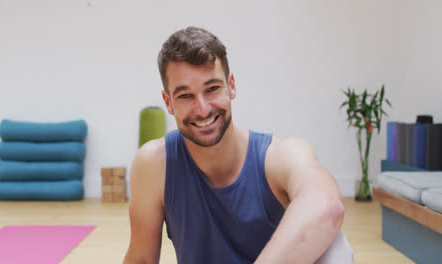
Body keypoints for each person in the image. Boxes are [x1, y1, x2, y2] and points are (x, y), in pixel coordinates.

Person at [123, 26, 353, 264]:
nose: (202, 109)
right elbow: (141, 259)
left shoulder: (280, 155)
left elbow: (328, 207)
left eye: (212, 89)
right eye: (185, 96)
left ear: (231, 86)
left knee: (337, 250)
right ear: (168, 102)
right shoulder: (154, 164)